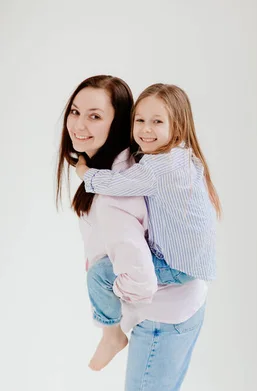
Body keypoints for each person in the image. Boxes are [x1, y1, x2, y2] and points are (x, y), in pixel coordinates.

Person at [56, 75, 210, 391]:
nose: (80, 123)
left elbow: (139, 277)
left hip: (164, 314)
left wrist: (122, 303)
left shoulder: (124, 185)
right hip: (178, 305)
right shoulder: (137, 166)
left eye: (96, 115)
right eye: (75, 111)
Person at [75, 83, 221, 371]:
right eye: (139, 120)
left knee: (99, 275)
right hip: (195, 264)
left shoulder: (156, 168)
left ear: (177, 128)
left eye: (157, 122)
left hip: (178, 267)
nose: (145, 130)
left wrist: (85, 174)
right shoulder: (182, 154)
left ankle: (111, 333)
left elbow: (119, 185)